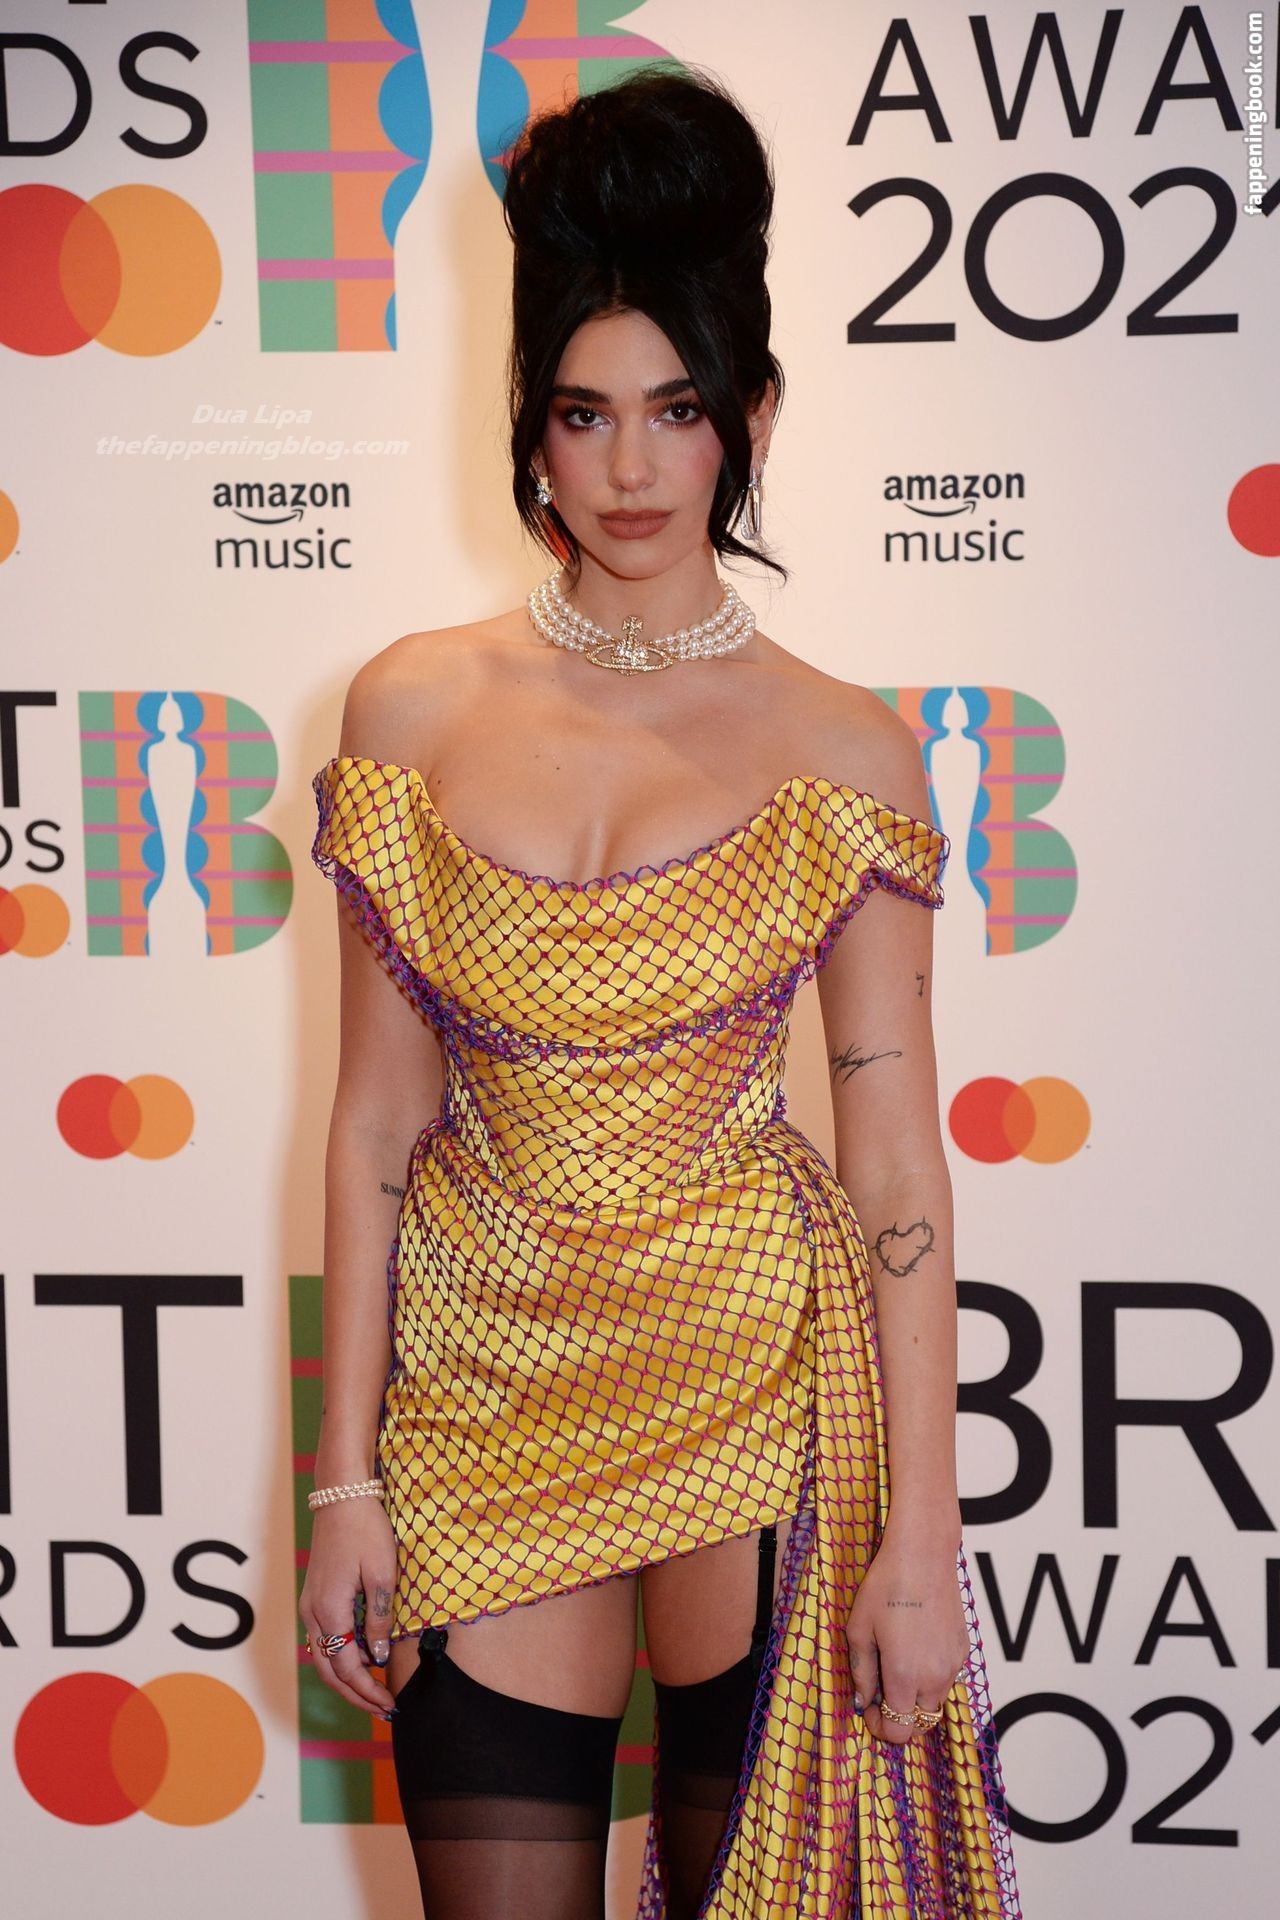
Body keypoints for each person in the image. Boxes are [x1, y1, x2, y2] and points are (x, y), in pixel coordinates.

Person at [300, 64, 1021, 1920]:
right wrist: (343, 1479)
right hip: (479, 1386)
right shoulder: (410, 708)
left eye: (678, 411)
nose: (629, 470)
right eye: (585, 413)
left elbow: (895, 1162)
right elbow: (373, 1127)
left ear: (750, 420)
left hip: (758, 1384)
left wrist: (923, 1532)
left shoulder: (843, 747)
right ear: (530, 430)